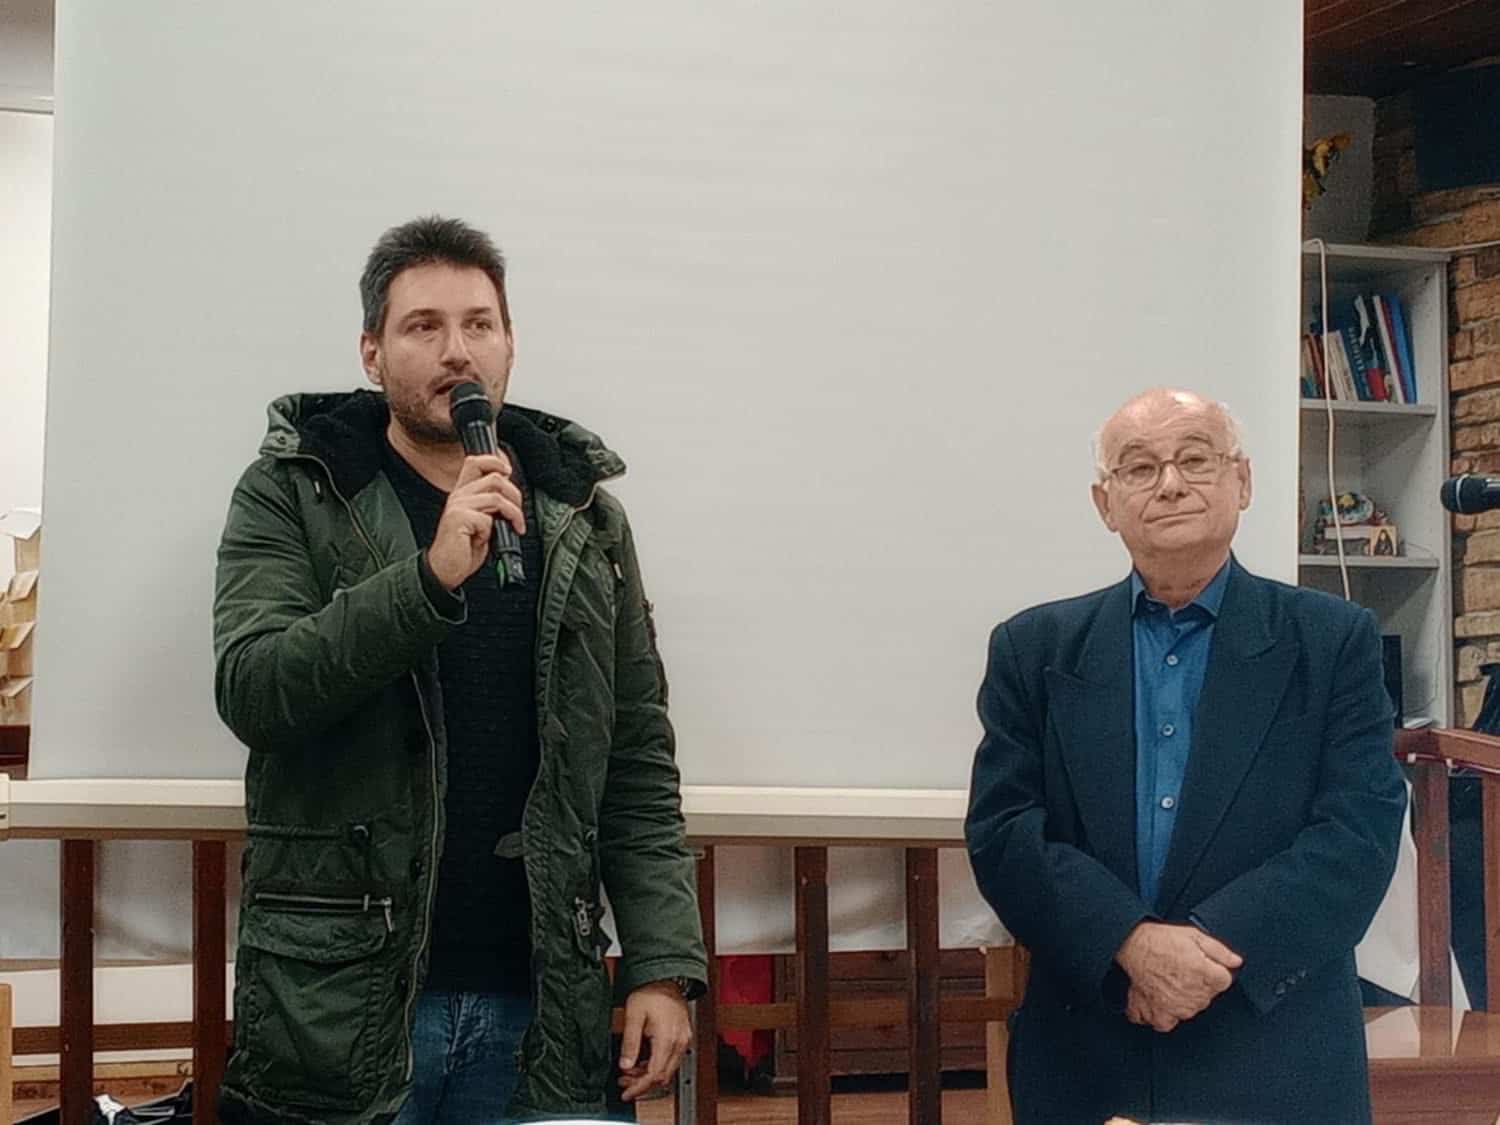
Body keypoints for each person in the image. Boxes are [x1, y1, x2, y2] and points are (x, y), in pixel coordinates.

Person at [213, 215, 707, 1124]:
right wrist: (428, 578)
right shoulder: (295, 488)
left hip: (542, 1007)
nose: (457, 351)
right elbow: (255, 687)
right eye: (424, 326)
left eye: (480, 324)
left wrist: (663, 965)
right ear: (372, 352)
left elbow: (637, 757)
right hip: (346, 1004)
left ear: (511, 342)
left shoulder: (582, 516)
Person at [964, 387, 1406, 1124]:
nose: (1170, 484)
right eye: (1140, 467)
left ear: (1244, 481)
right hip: (1090, 1044)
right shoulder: (1033, 650)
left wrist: (1200, 954)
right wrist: (1130, 944)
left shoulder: (1333, 641)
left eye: (1195, 459)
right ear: (1105, 504)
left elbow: (1358, 833)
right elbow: (1003, 831)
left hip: (1274, 1044)